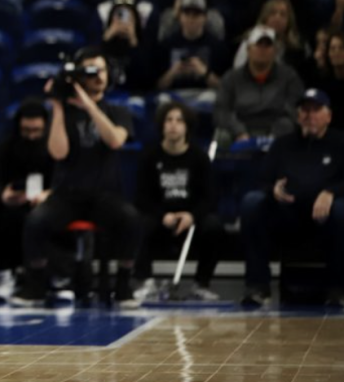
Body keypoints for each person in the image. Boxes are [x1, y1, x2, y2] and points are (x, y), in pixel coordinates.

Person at [12, 47, 142, 305]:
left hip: (104, 196)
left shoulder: (118, 111)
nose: (97, 77)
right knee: (35, 222)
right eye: (90, 72)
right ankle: (35, 285)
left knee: (132, 220)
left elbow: (115, 141)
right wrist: (58, 108)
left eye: (101, 71)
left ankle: (124, 285)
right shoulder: (63, 114)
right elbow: (58, 153)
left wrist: (89, 106)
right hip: (67, 196)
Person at [240, 90, 344, 308]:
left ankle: (338, 290)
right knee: (252, 202)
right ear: (298, 116)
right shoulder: (283, 144)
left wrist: (331, 192)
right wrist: (273, 190)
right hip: (287, 214)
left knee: (341, 211)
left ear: (329, 116)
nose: (310, 115)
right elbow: (262, 181)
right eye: (305, 110)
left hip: (325, 217)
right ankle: (258, 287)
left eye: (316, 110)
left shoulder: (339, 142)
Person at [133, 103, 224, 302]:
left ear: (187, 126)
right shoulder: (149, 156)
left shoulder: (199, 158)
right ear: (162, 125)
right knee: (139, 222)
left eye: (179, 120)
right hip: (160, 218)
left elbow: (209, 197)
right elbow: (141, 197)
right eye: (169, 120)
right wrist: (162, 215)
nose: (174, 125)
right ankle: (145, 281)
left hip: (190, 220)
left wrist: (192, 216)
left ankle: (201, 284)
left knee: (214, 226)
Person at [0, 100, 53, 301]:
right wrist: (4, 195)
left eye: (36, 130)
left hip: (49, 206)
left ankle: (56, 279)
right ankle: (5, 274)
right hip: (13, 209)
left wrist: (49, 194)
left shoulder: (55, 148)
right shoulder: (6, 149)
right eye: (26, 130)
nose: (31, 136)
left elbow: (69, 182)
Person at [214, 27, 304, 146]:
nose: (263, 49)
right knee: (221, 135)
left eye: (267, 45)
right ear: (248, 49)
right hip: (241, 130)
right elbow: (222, 111)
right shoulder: (231, 78)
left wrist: (275, 135)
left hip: (277, 132)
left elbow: (294, 109)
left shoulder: (289, 77)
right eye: (258, 44)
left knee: (291, 129)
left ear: (275, 50)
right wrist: (239, 132)